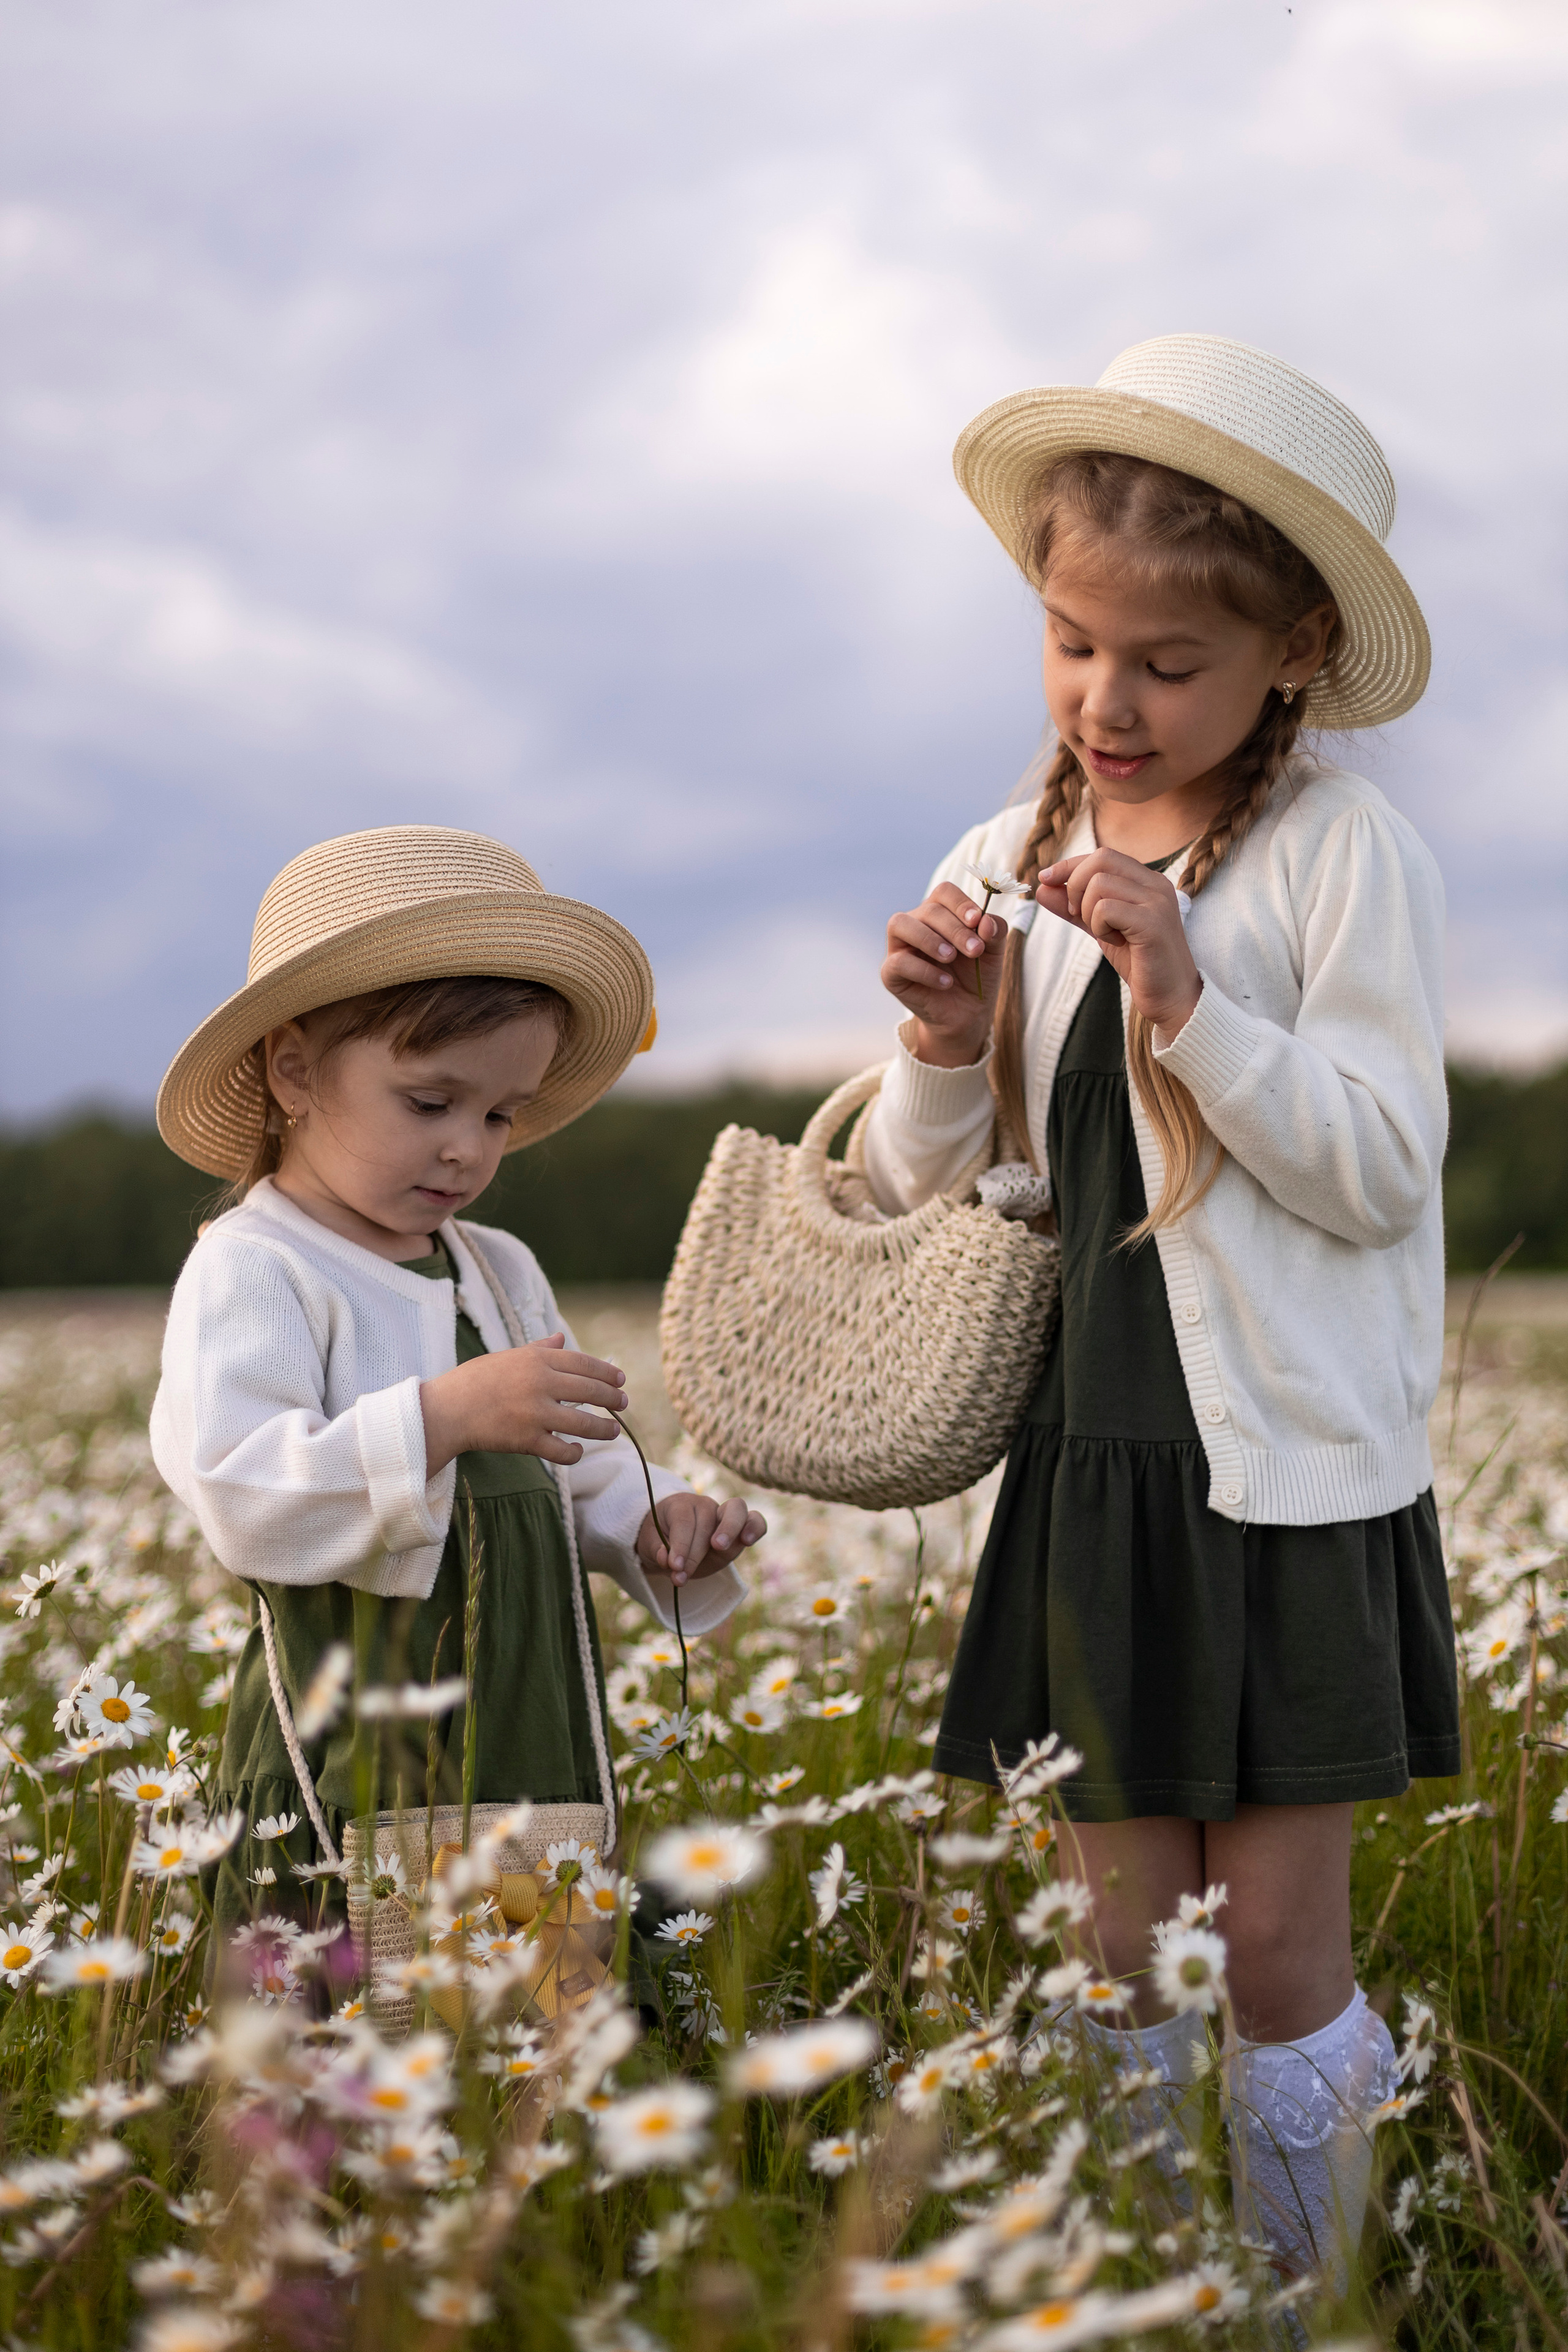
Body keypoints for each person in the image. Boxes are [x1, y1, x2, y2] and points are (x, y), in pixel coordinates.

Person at [863, 336, 1458, 2295]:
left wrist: (1193, 1001)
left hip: (1284, 1487)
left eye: (1167, 664)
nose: (1107, 703)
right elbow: (928, 1190)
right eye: (1070, 645)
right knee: (1120, 1957)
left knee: (1271, 1955)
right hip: (1094, 1475)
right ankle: (1142, 2293)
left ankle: (1307, 2310)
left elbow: (1380, 1170)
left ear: (1293, 652)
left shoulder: (1341, 857)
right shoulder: (998, 860)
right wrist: (942, 1045)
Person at [150, 824, 765, 1972]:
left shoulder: (498, 1267)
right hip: (356, 1728)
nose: (466, 1152)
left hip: (525, 1712)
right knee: (358, 1996)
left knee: (525, 1998)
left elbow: (578, 1460)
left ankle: (536, 2083)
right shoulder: (257, 1267)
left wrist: (655, 1519)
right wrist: (444, 1419)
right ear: (293, 1072)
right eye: (429, 1102)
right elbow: (241, 1492)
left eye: (498, 1116)